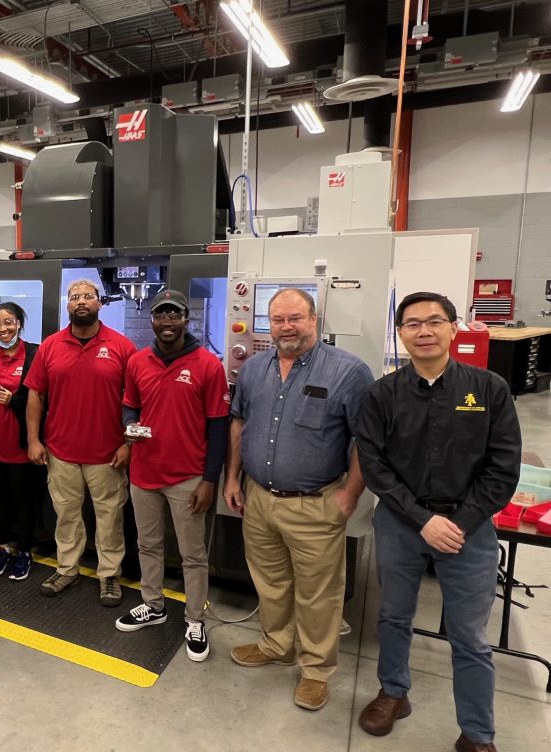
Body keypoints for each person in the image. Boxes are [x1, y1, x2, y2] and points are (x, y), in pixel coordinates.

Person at [356, 292, 521, 752]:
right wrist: (421, 519)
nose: (423, 331)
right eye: (412, 324)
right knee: (393, 615)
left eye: (434, 321)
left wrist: (460, 521)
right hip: (401, 524)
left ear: (454, 327)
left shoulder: (489, 389)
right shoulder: (382, 394)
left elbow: (503, 468)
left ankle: (477, 733)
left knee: (469, 635)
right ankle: (393, 691)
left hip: (468, 529)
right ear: (401, 333)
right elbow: (374, 465)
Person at [223, 287, 373, 711]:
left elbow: (366, 439)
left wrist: (349, 495)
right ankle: (276, 644)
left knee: (319, 594)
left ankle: (315, 670)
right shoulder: (253, 369)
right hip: (258, 500)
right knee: (270, 582)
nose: (286, 328)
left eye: (295, 318)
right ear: (268, 325)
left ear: (314, 320)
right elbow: (239, 425)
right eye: (278, 320)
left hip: (316, 504)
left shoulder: (348, 371)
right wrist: (233, 479)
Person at [115, 289, 230, 662]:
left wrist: (209, 479)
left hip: (188, 478)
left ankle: (195, 618)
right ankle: (153, 603)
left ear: (186, 319)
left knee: (192, 554)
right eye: (160, 315)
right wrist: (130, 425)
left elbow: (218, 427)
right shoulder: (138, 361)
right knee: (148, 545)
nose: (167, 322)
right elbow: (129, 404)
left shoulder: (208, 365)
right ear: (152, 320)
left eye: (174, 315)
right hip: (144, 472)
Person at [25, 279, 136, 606]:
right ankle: (67, 568)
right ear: (68, 306)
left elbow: (135, 401)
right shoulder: (50, 346)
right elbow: (36, 395)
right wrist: (34, 439)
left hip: (108, 454)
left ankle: (109, 575)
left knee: (110, 518)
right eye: (75, 297)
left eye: (88, 296)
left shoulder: (122, 347)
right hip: (61, 452)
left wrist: (128, 443)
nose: (82, 301)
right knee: (67, 517)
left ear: (100, 304)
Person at [0, 302, 45, 582]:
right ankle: (2, 547)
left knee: (23, 500)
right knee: (0, 499)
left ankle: (24, 551)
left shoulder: (35, 354)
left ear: (19, 323)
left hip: (23, 445)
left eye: (9, 322)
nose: (3, 329)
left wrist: (14, 401)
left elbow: (43, 400)